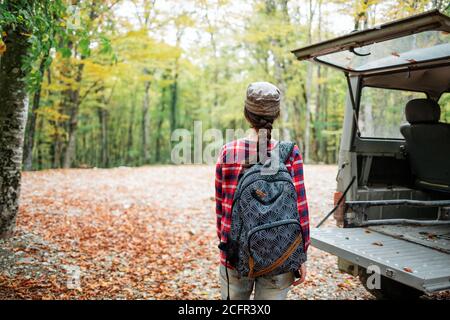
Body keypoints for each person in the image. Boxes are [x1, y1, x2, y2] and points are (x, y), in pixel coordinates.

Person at [215, 81, 310, 300]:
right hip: (280, 252)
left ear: (246, 113)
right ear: (276, 114)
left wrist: (225, 246)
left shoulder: (229, 152)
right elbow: (300, 209)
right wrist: (301, 254)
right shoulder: (290, 152)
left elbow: (222, 210)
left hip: (235, 253)